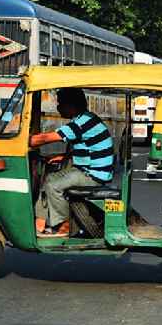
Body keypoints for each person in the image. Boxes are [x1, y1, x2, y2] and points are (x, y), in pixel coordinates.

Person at [29, 88, 114, 237]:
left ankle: (64, 225)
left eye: (61, 103)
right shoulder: (84, 119)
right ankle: (40, 222)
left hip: (92, 176)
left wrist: (25, 141)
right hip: (88, 171)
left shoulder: (82, 122)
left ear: (72, 105)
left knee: (52, 185)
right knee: (49, 177)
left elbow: (48, 138)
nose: (58, 107)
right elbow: (86, 148)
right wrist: (63, 156)